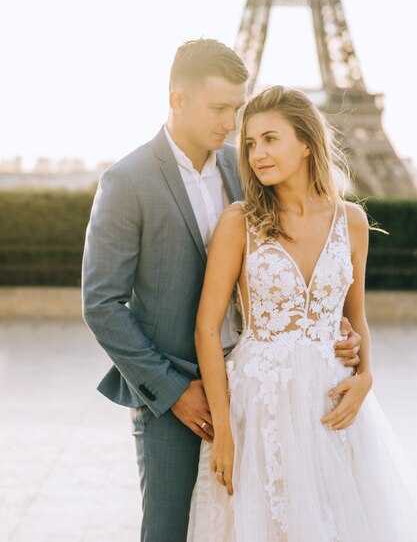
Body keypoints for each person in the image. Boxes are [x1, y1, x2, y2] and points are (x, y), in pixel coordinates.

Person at [82, 41, 361, 542]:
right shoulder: (128, 181)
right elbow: (101, 303)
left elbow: (303, 256)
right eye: (219, 109)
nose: (233, 124)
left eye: (237, 108)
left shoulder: (247, 167)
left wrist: (329, 325)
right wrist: (173, 392)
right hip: (176, 396)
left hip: (259, 391)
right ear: (177, 100)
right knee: (168, 531)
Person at [187, 85, 417, 541]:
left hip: (333, 404)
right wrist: (227, 433)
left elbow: (357, 317)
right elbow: (206, 328)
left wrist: (367, 375)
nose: (256, 154)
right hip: (262, 404)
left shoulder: (351, 221)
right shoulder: (240, 221)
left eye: (270, 139)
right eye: (250, 143)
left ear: (307, 143)